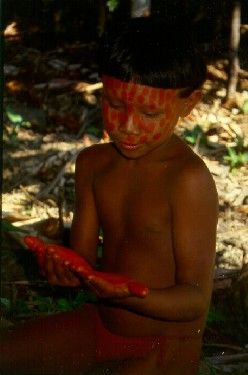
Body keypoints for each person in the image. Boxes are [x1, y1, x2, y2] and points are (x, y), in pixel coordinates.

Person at [0, 17, 218, 375]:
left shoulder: (187, 180)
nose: (128, 126)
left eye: (149, 112)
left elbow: (194, 301)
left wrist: (133, 295)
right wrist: (64, 267)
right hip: (100, 324)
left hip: (163, 349)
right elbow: (82, 260)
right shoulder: (92, 163)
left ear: (189, 103)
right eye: (116, 105)